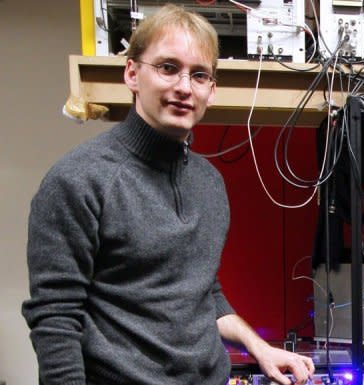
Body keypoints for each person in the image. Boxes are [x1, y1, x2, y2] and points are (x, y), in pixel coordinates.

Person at [21, 4, 315, 385]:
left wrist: (259, 347)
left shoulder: (209, 183)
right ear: (132, 73)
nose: (183, 87)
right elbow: (55, 318)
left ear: (211, 89)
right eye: (167, 68)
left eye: (198, 74)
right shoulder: (78, 180)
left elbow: (203, 291)